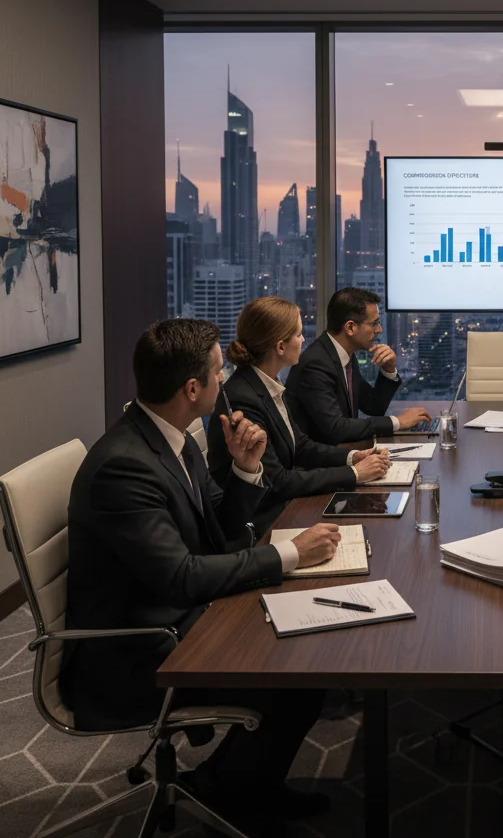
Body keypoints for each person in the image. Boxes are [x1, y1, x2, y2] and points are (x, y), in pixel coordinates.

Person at [61, 319, 343, 832]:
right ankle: (230, 792)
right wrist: (289, 556)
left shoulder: (171, 437)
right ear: (192, 389)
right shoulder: (125, 467)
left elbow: (218, 534)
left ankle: (238, 785)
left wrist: (244, 469)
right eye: (218, 372)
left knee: (306, 656)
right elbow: (183, 577)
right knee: (300, 668)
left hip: (175, 614)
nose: (225, 382)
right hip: (135, 648)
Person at [207, 296, 392, 532]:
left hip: (282, 508)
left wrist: (353, 457)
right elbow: (278, 482)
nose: (304, 340)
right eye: (298, 334)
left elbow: (300, 445)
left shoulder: (265, 382)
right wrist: (355, 474)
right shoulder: (243, 398)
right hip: (259, 524)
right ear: (280, 347)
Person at [285, 287, 431, 444]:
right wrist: (397, 422)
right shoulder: (315, 364)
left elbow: (373, 407)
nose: (379, 330)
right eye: (374, 324)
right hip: (319, 463)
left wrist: (388, 370)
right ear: (350, 328)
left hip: (342, 452)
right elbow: (337, 428)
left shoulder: (344, 355)